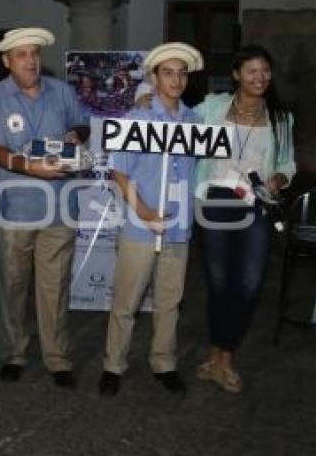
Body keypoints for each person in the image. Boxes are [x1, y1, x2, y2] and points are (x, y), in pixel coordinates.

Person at [0, 27, 90, 388]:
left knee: (54, 285)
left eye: (34, 53)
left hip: (60, 205)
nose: (31, 61)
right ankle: (14, 353)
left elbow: (83, 125)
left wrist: (77, 136)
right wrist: (31, 167)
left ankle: (57, 357)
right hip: (16, 207)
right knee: (13, 285)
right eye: (22, 55)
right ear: (7, 61)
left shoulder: (61, 91)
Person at [98, 42, 204, 397]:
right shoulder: (137, 119)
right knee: (126, 300)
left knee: (170, 300)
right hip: (141, 225)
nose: (176, 80)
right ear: (155, 78)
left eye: (181, 73)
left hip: (178, 225)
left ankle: (164, 362)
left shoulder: (195, 121)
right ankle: (113, 364)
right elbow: (118, 172)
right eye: (168, 73)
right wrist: (142, 210)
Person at [195, 44, 295, 394]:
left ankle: (223, 355)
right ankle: (219, 358)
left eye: (265, 71)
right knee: (219, 281)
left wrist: (278, 179)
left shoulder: (281, 118)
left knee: (250, 283)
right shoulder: (212, 106)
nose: (260, 78)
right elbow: (175, 121)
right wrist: (146, 100)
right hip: (214, 199)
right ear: (236, 75)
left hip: (256, 203)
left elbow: (287, 165)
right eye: (252, 71)